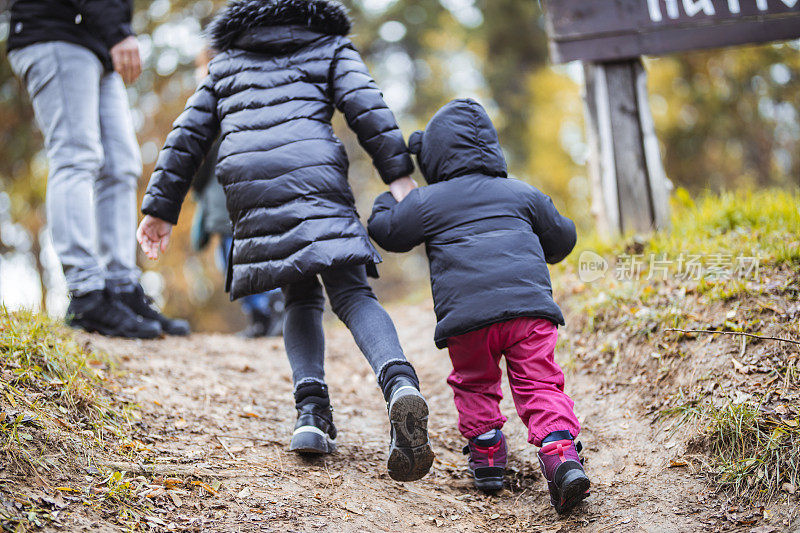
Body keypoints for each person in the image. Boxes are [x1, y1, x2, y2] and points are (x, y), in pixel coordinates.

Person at [136, 0, 433, 482]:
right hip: (314, 173)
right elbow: (366, 106)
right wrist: (397, 175)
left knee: (298, 294)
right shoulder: (329, 45)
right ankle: (399, 382)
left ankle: (311, 413)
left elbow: (188, 134)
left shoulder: (225, 62)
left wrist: (159, 210)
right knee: (353, 292)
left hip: (251, 187)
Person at [368, 99, 589, 512]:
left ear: (433, 157)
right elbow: (561, 241)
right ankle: (560, 453)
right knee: (540, 384)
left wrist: (389, 198)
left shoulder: (428, 201)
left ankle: (487, 454)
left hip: (467, 321)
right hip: (529, 314)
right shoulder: (523, 193)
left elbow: (389, 231)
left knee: (474, 381)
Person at [6, 0, 190, 338]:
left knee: (122, 164)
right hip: (54, 29)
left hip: (95, 41)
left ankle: (120, 288)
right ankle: (86, 293)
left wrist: (111, 32)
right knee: (76, 155)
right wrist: (119, 31)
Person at [189, 48, 284, 338]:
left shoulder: (224, 102)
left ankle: (275, 307)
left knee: (244, 257)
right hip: (219, 201)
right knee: (229, 260)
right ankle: (258, 315)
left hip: (235, 197)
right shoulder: (207, 105)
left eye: (202, 68)